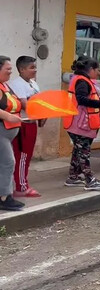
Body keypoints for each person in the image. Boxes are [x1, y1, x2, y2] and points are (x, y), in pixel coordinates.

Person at [63, 57, 100, 191]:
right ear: (90, 70)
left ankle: (73, 177)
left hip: (76, 122)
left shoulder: (79, 79)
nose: (98, 73)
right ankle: (89, 180)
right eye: (97, 70)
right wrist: (99, 104)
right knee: (84, 152)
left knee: (78, 151)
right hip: (80, 123)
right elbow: (82, 99)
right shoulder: (82, 81)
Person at [9, 56, 44, 198]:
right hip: (23, 124)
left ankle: (20, 183)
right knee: (22, 156)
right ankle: (21, 186)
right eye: (31, 67)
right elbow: (26, 105)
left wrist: (43, 115)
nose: (35, 70)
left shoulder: (33, 84)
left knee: (26, 157)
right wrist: (41, 113)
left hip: (32, 123)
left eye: (35, 67)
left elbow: (40, 102)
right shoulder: (17, 84)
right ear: (22, 69)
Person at [0, 56, 25, 211]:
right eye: (7, 69)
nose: (10, 72)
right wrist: (7, 116)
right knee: (9, 162)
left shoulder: (5, 86)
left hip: (8, 132)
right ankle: (4, 197)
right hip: (1, 131)